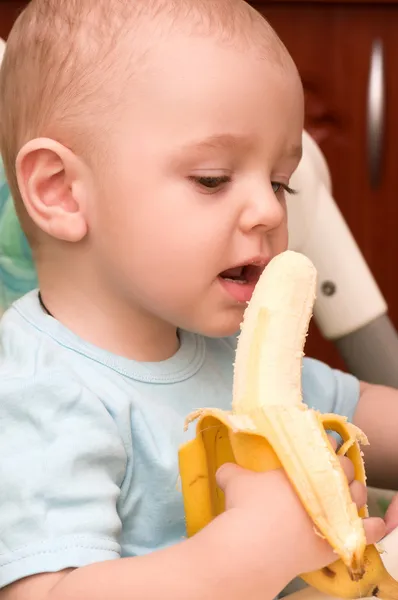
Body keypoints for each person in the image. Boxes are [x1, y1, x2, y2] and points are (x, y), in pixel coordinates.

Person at [0, 0, 396, 598]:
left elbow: (362, 407)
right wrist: (246, 557)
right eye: (213, 178)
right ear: (61, 192)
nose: (268, 211)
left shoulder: (222, 347)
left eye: (279, 182)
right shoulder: (38, 394)